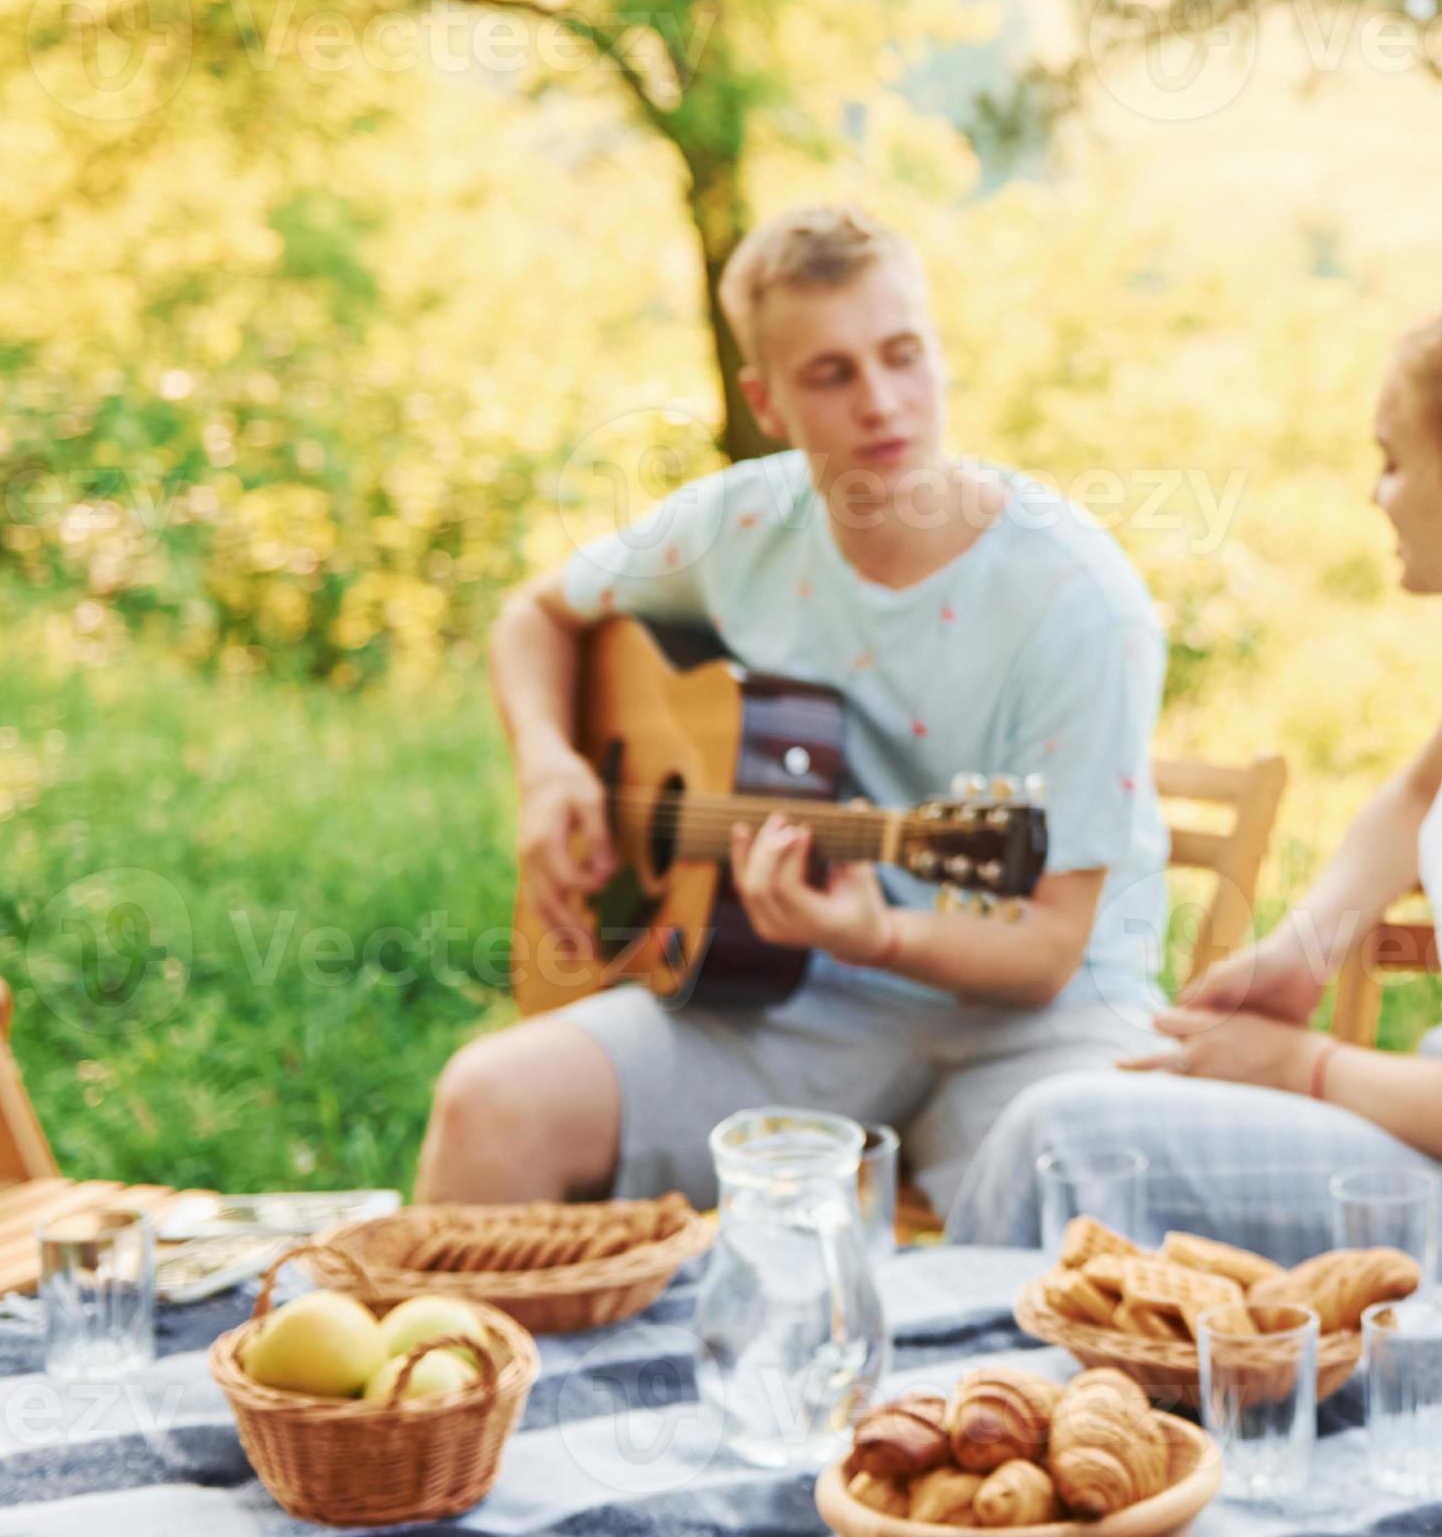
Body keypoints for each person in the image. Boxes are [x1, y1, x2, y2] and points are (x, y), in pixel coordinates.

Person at [946, 292, 1442, 1304]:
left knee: (1058, 1141)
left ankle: (952, 1422)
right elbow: (1418, 795)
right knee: (1086, 1117)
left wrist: (1295, 1062)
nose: (1375, 494)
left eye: (1390, 459)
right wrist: (1303, 949)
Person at [414, 204, 1174, 1211]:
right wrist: (550, 765)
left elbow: (1044, 950)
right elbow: (534, 617)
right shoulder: (737, 524)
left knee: (1073, 1201)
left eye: (903, 355)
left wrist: (879, 934)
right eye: (831, 374)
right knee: (489, 1103)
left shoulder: (1074, 598)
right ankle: (457, 1367)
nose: (883, 403)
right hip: (788, 994)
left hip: (1045, 1022)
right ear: (765, 401)